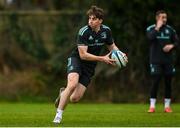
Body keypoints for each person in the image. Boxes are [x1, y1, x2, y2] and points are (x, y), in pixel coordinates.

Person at [53, 5, 128, 123]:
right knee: (72, 84)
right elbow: (83, 55)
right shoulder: (84, 32)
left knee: (74, 98)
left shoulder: (106, 31)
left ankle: (63, 93)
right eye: (89, 18)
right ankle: (58, 116)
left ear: (100, 21)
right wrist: (102, 58)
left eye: (93, 19)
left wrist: (121, 54)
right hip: (77, 60)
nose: (90, 21)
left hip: (90, 66)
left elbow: (112, 47)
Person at [146, 10, 179, 113]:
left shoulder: (170, 30)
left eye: (165, 17)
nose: (164, 19)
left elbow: (178, 42)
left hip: (168, 61)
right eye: (162, 17)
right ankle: (152, 106)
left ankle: (167, 107)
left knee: (168, 83)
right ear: (157, 18)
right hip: (155, 61)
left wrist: (172, 45)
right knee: (155, 82)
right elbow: (150, 37)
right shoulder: (151, 28)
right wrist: (157, 28)